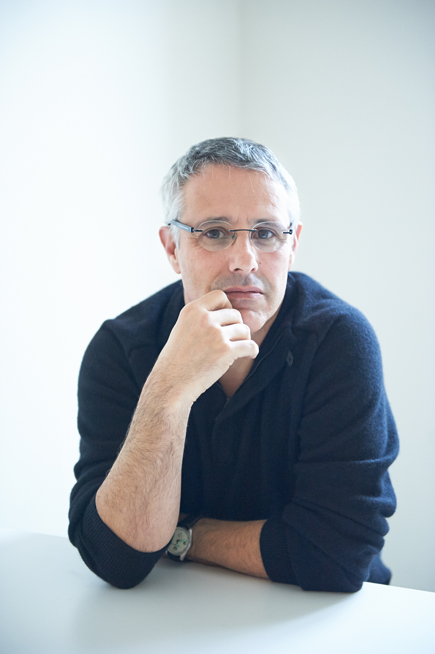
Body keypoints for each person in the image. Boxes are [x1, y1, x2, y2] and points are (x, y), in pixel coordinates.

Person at [69, 137, 398, 592]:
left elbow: (337, 556)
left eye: (266, 233)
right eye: (214, 232)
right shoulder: (121, 348)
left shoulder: (338, 341)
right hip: (170, 616)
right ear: (172, 248)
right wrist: (169, 389)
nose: (245, 260)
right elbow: (113, 557)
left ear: (293, 245)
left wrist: (184, 536)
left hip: (326, 620)